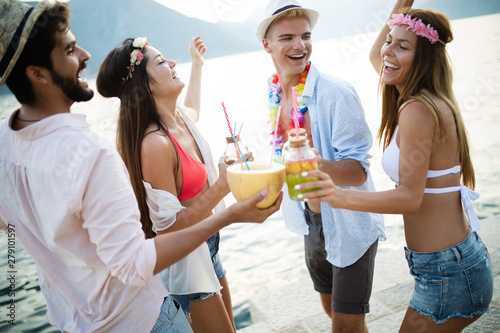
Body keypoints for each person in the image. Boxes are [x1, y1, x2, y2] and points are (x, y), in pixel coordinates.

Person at [0, 1, 281, 332]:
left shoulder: (6, 143)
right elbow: (136, 263)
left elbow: (10, 225)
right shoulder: (93, 155)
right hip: (141, 317)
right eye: (71, 49)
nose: (86, 55)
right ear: (38, 73)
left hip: (77, 319)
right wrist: (230, 209)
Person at [298, 1, 494, 331]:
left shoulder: (417, 109)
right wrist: (400, 10)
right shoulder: (425, 96)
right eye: (389, 39)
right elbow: (379, 56)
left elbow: (409, 198)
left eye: (402, 46)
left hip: (448, 272)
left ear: (423, 58)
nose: (387, 52)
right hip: (448, 263)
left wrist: (338, 196)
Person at [96, 35, 248, 332]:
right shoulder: (155, 143)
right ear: (146, 84)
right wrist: (222, 187)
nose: (172, 63)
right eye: (162, 61)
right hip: (185, 259)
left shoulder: (179, 119)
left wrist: (198, 64)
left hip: (208, 245)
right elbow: (168, 228)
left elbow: (193, 107)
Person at [257, 1, 386, 331]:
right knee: (333, 311)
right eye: (287, 37)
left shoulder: (336, 94)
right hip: (309, 220)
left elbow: (358, 170)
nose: (300, 46)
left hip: (348, 222)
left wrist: (313, 163)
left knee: (344, 325)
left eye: (306, 35)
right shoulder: (275, 93)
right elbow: (280, 159)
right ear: (266, 44)